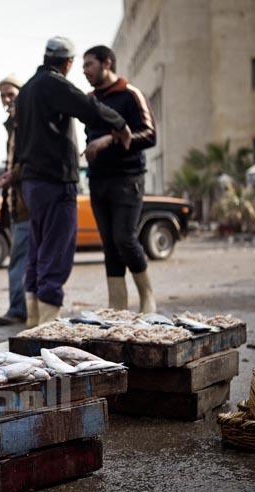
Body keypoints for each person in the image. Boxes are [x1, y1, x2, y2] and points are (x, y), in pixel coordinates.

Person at [12, 36, 131, 326]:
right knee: (56, 251)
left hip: (32, 183)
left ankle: (33, 320)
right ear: (67, 62)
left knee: (38, 251)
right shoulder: (54, 84)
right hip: (54, 181)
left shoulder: (26, 90)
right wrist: (120, 124)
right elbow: (87, 107)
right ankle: (47, 326)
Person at [83, 45, 157, 313]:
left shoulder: (130, 94)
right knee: (109, 244)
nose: (85, 71)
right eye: (83, 66)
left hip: (128, 179)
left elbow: (149, 134)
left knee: (124, 238)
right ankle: (117, 306)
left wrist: (109, 140)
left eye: (89, 64)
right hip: (97, 180)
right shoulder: (89, 99)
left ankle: (147, 298)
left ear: (107, 63)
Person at [0, 75, 30, 326]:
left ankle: (19, 309)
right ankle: (24, 309)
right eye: (3, 95)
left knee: (20, 261)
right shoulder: (13, 124)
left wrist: (13, 175)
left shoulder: (27, 121)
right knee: (22, 260)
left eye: (11, 94)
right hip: (17, 202)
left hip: (28, 202)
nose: (7, 100)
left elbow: (33, 160)